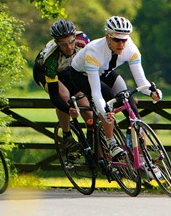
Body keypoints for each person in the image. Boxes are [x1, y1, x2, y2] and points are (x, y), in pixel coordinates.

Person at [70, 15, 162, 159]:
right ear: (108, 37)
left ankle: (145, 158)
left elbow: (142, 83)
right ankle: (110, 142)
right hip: (81, 75)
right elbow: (96, 92)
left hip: (106, 71)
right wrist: (105, 110)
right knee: (108, 99)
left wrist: (152, 92)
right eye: (116, 40)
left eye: (124, 40)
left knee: (130, 105)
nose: (121, 44)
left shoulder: (131, 49)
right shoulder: (94, 51)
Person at [33, 19, 92, 153]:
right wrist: (68, 109)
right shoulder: (51, 58)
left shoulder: (83, 41)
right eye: (63, 44)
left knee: (87, 111)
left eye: (71, 41)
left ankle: (93, 143)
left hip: (68, 70)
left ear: (75, 37)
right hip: (44, 72)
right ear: (56, 43)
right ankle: (67, 136)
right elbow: (54, 95)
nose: (69, 47)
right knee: (64, 95)